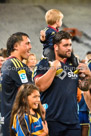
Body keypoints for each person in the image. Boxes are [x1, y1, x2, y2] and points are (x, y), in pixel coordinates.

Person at [33, 31, 91, 136]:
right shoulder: (45, 63)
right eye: (65, 45)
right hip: (52, 120)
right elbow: (39, 86)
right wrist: (54, 67)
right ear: (56, 47)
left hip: (73, 121)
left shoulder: (73, 64)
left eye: (70, 45)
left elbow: (84, 87)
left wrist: (88, 76)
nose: (69, 48)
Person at [1, 32, 33, 136]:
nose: (30, 47)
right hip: (16, 120)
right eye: (27, 43)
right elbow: (31, 91)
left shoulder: (8, 64)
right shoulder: (15, 64)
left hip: (8, 117)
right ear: (16, 46)